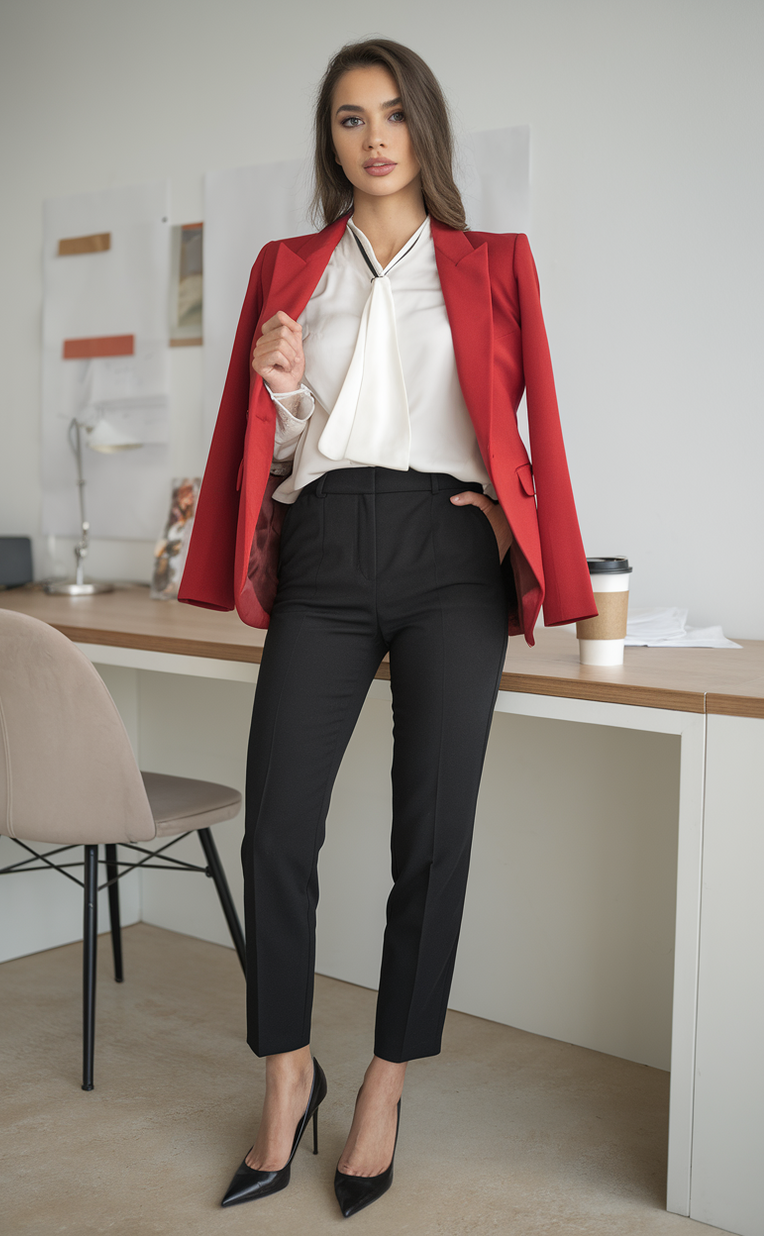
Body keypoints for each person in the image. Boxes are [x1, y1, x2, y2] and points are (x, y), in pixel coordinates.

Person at [179, 37, 596, 1219]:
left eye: (392, 115)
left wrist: (518, 534)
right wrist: (278, 382)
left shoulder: (491, 262)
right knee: (278, 830)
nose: (372, 138)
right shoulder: (287, 265)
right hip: (323, 539)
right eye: (350, 119)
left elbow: (529, 422)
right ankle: (285, 1076)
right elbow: (296, 432)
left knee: (433, 835)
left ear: (424, 132)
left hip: (445, 553)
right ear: (332, 140)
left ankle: (385, 1084)